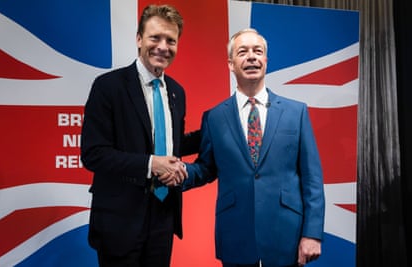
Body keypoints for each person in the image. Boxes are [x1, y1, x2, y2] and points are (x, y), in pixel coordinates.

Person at [182, 28, 325, 267]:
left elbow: (312, 178)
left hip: (286, 237)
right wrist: (178, 172)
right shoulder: (215, 118)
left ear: (266, 61)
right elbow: (206, 168)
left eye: (257, 51)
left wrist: (312, 233)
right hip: (236, 237)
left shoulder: (296, 112)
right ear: (230, 64)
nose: (251, 57)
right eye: (242, 52)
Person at [80, 4, 197, 267]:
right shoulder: (108, 86)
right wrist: (151, 164)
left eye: (171, 40)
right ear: (139, 39)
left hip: (163, 219)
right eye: (155, 38)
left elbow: (171, 143)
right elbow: (94, 154)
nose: (163, 47)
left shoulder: (177, 92)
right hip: (119, 223)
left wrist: (216, 132)